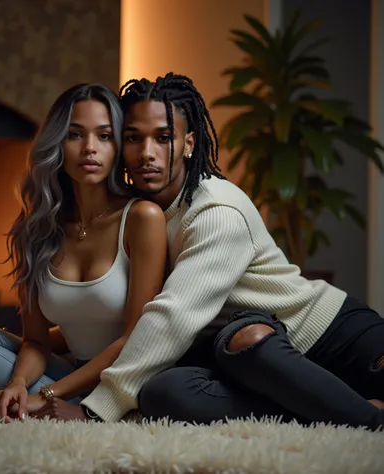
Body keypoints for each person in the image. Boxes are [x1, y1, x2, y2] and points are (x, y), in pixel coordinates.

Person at [73, 72, 384, 430]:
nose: (146, 154)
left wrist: (95, 408)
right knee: (162, 392)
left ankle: (366, 420)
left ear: (189, 143)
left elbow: (173, 317)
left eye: (163, 138)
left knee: (243, 337)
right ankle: (340, 409)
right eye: (133, 138)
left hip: (335, 342)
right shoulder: (137, 213)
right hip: (246, 362)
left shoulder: (216, 210)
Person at [0, 83, 167, 423]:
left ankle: (77, 405)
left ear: (119, 146)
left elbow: (135, 339)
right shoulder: (38, 229)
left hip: (125, 376)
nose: (90, 148)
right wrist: (18, 382)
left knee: (108, 376)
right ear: (58, 143)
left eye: (104, 136)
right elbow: (36, 341)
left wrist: (46, 394)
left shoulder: (141, 218)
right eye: (76, 134)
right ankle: (55, 402)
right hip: (67, 373)